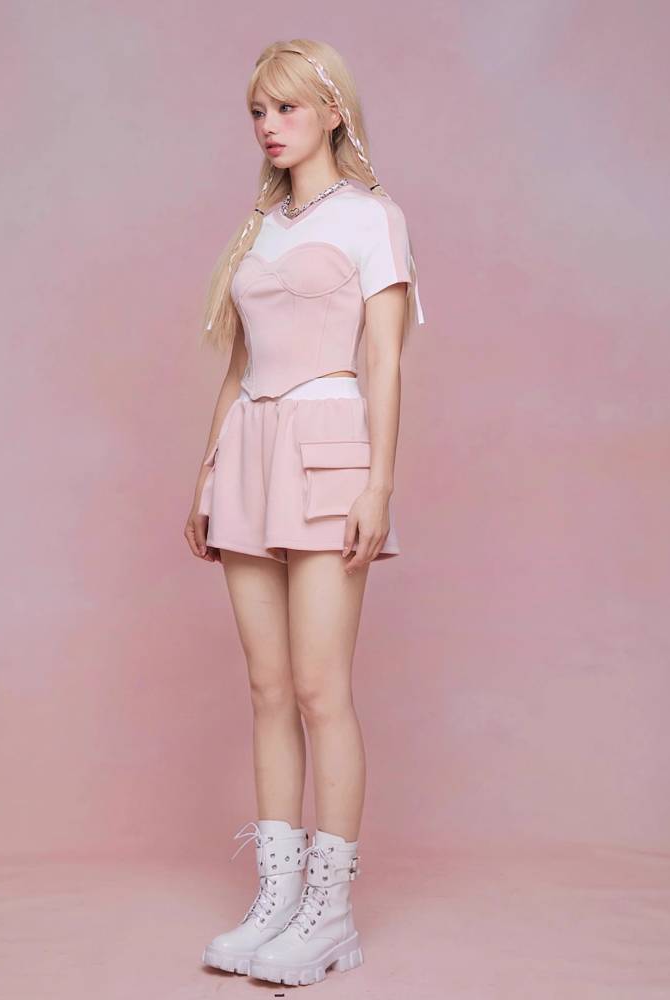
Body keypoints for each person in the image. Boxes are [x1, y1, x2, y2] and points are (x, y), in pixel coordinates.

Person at [185, 38, 425, 987]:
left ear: (333, 111)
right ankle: (278, 900)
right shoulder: (258, 229)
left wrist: (378, 486)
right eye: (258, 110)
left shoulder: (373, 217)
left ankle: (331, 913)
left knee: (324, 689)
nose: (269, 125)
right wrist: (207, 472)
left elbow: (386, 360)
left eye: (286, 107)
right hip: (249, 450)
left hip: (328, 450)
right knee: (267, 688)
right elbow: (238, 366)